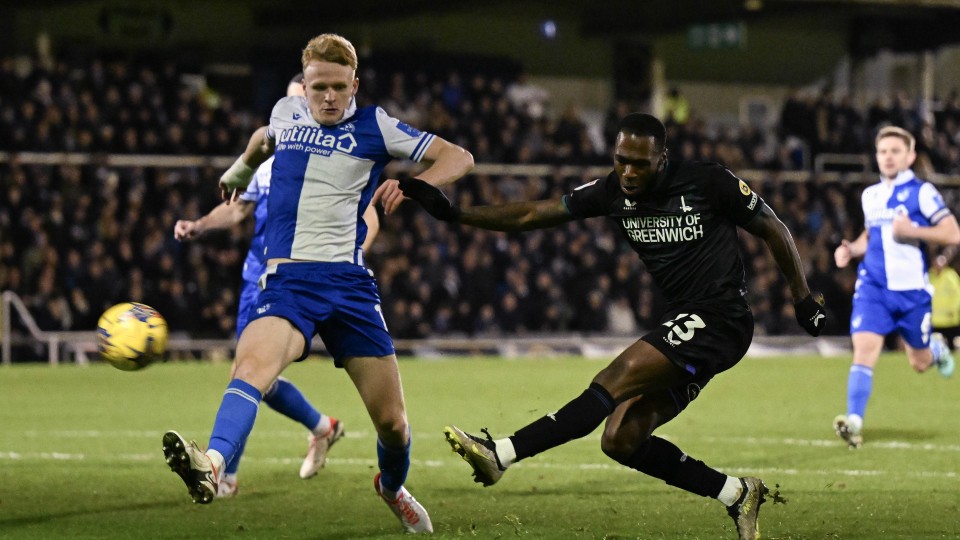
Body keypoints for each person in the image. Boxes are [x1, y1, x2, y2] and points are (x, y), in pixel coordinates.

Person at [398, 112, 826, 540]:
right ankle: (736, 494)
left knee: (612, 379)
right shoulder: (610, 191)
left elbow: (774, 228)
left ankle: (501, 453)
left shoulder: (708, 182)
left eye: (640, 163)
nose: (628, 171)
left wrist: (802, 299)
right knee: (621, 438)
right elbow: (531, 214)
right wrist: (456, 215)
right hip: (689, 325)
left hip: (721, 318)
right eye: (621, 159)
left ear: (663, 158)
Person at [161, 33, 474, 535]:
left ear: (355, 85)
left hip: (349, 287)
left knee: (393, 425)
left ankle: (391, 488)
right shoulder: (287, 112)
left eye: (338, 87)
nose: (328, 97)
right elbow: (263, 138)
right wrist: (240, 171)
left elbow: (459, 157)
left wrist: (416, 184)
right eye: (318, 87)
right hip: (287, 281)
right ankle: (213, 465)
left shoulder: (376, 125)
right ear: (303, 87)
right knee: (250, 371)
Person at [172, 74, 376, 496]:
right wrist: (199, 226)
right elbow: (236, 210)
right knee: (251, 374)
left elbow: (367, 216)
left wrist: (349, 256)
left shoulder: (339, 158)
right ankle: (322, 427)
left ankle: (224, 472)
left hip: (312, 280)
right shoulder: (267, 163)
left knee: (248, 375)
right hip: (259, 280)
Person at [833, 126, 958, 449]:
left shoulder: (923, 192)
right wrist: (852, 249)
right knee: (863, 350)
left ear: (910, 156)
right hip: (873, 288)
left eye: (895, 151)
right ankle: (854, 420)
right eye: (882, 151)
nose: (888, 157)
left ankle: (937, 349)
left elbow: (952, 233)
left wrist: (914, 230)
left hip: (912, 292)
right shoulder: (870, 195)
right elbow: (871, 235)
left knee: (919, 362)